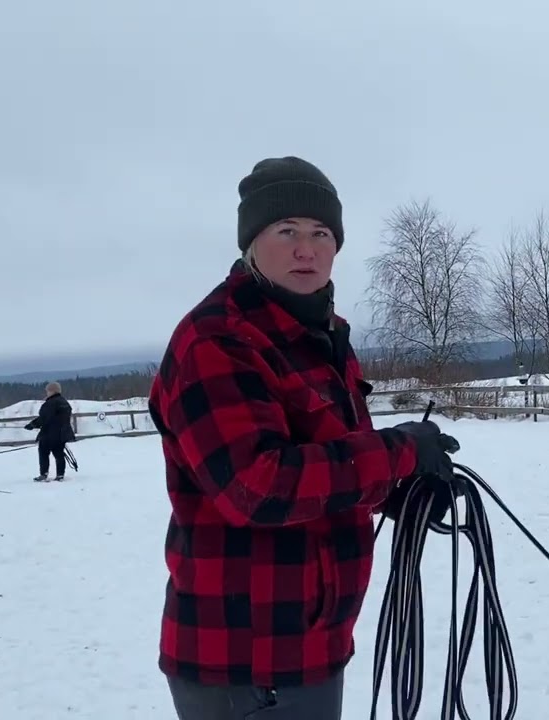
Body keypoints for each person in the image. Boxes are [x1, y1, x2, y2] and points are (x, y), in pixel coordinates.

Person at [146, 156, 463, 720]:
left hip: (309, 645)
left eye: (321, 233)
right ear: (251, 242)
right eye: (286, 231)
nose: (306, 249)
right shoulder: (215, 341)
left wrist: (405, 487)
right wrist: (398, 453)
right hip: (245, 663)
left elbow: (331, 463)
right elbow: (258, 484)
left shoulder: (320, 337)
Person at [26, 381, 76, 481]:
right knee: (59, 454)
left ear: (52, 391)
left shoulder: (50, 403)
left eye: (48, 391)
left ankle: (43, 474)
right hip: (61, 434)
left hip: (49, 434)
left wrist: (32, 424)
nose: (47, 393)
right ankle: (60, 475)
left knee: (43, 453)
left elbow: (44, 418)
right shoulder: (64, 402)